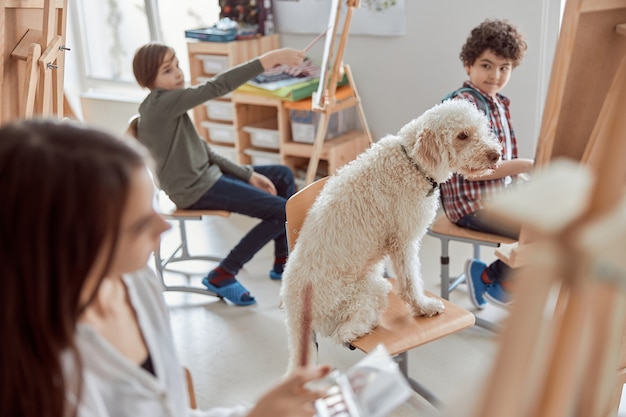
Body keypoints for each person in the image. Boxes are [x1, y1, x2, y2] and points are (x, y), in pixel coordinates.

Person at [0, 119, 331, 417]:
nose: (164, 227)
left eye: (153, 206)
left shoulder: (137, 281)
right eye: (139, 223)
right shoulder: (47, 377)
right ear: (74, 245)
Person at [132, 42, 305, 306]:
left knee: (281, 175)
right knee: (282, 211)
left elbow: (206, 153)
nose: (178, 73)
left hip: (208, 176)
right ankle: (223, 273)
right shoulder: (161, 104)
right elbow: (217, 86)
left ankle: (283, 260)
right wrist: (270, 59)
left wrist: (247, 175)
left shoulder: (170, 107)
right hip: (194, 190)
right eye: (168, 70)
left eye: (177, 65)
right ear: (149, 80)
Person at [440, 19, 534, 309]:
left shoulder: (498, 102)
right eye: (486, 65)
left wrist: (522, 178)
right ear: (468, 65)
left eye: (504, 67)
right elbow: (474, 173)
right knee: (536, 229)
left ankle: (503, 277)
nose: (495, 75)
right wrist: (526, 165)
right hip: (470, 205)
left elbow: (499, 161)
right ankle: (491, 277)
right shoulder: (467, 104)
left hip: (494, 197)